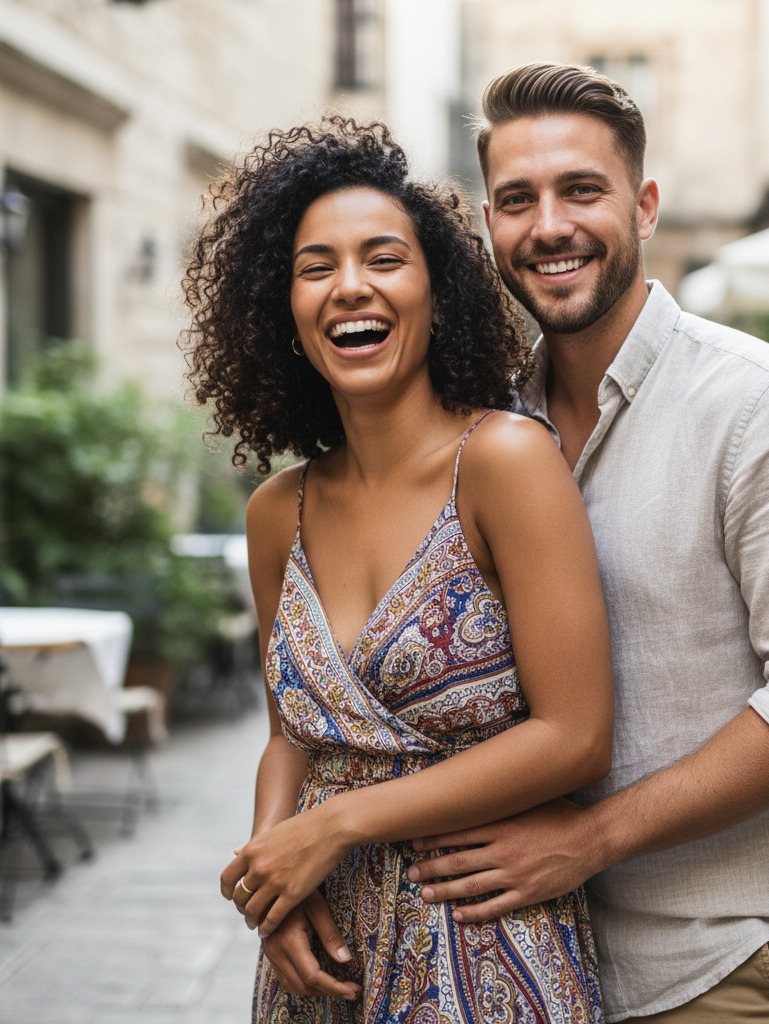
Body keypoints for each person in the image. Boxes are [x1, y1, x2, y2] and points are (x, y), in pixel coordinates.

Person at [404, 64, 769, 1023]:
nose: (548, 226)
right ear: (489, 225)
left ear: (645, 207)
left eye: (582, 190)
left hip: (722, 962)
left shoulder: (761, 407)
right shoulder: (492, 428)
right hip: (525, 964)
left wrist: (589, 840)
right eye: (516, 200)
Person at [181, 115, 613, 1023]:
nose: (349, 288)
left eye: (383, 258)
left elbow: (576, 734)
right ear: (282, 312)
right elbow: (293, 736)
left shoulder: (503, 462)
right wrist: (274, 875)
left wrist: (331, 826)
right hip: (320, 960)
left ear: (438, 292)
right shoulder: (277, 513)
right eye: (315, 267)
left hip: (485, 940)